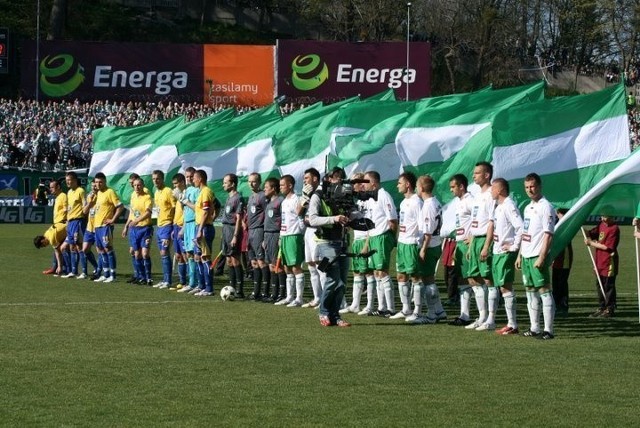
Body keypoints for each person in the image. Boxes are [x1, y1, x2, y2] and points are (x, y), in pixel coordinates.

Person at [307, 168, 352, 327]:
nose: (339, 181)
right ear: (328, 179)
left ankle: (335, 314)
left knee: (343, 282)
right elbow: (312, 220)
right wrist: (334, 219)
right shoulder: (317, 196)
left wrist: (356, 217)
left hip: (342, 242)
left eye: (341, 179)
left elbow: (352, 212)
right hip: (325, 242)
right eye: (335, 178)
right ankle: (324, 312)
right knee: (333, 280)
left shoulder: (343, 196)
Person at [516, 173, 556, 340]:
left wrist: (541, 256)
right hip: (526, 255)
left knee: (544, 291)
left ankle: (548, 330)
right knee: (530, 292)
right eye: (526, 187)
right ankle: (534, 328)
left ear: (539, 186)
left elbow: (548, 234)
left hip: (537, 256)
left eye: (532, 186)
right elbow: (525, 233)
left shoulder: (546, 206)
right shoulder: (527, 207)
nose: (529, 190)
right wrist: (519, 255)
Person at [361, 170, 398, 316]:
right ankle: (381, 307)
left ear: (374, 183)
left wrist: (390, 238)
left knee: (382, 271)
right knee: (376, 272)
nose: (363, 185)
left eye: (365, 182)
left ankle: (391, 308)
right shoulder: (370, 199)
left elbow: (393, 220)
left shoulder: (384, 196)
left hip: (382, 237)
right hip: (374, 237)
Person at [411, 174, 447, 323]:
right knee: (429, 279)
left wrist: (423, 249)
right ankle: (439, 310)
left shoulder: (428, 205)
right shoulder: (436, 202)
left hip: (430, 245)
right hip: (436, 243)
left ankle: (432, 314)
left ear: (420, 188)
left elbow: (427, 232)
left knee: (428, 280)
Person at [490, 178, 523, 335]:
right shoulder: (499, 207)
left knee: (505, 286)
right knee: (502, 287)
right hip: (497, 251)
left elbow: (520, 227)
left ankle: (513, 324)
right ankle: (510, 323)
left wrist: (514, 247)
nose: (491, 191)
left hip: (505, 253)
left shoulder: (509, 205)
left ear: (500, 190)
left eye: (493, 188)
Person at [465, 161, 495, 331]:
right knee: (473, 279)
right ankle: (482, 316)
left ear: (487, 175)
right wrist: (471, 245)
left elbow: (491, 222)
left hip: (485, 239)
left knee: (488, 279)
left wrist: (486, 245)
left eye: (477, 173)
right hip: (475, 240)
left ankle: (490, 318)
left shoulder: (491, 194)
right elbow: (473, 221)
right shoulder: (477, 195)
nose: (473, 175)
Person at [340, 172, 373, 314]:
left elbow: (374, 223)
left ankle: (370, 305)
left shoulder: (370, 199)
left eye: (355, 183)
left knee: (369, 273)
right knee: (357, 272)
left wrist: (367, 242)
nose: (352, 186)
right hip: (356, 239)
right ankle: (355, 304)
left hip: (367, 238)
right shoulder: (354, 200)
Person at [447, 174, 475, 326]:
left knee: (475, 279)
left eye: (453, 187)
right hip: (459, 244)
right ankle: (464, 315)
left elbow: (479, 220)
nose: (451, 190)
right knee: (463, 279)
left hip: (468, 245)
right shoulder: (460, 202)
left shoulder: (471, 201)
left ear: (461, 186)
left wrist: (472, 237)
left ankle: (483, 316)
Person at [274, 174, 306, 306]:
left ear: (290, 185)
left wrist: (299, 233)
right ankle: (289, 296)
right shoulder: (284, 201)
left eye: (282, 185)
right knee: (287, 267)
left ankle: (299, 298)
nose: (280, 187)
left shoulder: (296, 199)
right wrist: (281, 236)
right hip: (285, 236)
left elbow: (300, 216)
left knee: (296, 266)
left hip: (294, 236)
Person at [88, 172, 125, 283]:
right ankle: (106, 273)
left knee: (108, 249)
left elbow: (120, 206)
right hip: (97, 226)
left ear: (105, 182)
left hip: (105, 226)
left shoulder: (110, 192)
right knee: (100, 250)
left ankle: (113, 275)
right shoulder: (98, 194)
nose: (98, 184)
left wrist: (113, 219)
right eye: (96, 182)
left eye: (100, 182)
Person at [585, 209, 620, 318]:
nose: (603, 219)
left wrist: (591, 243)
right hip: (599, 261)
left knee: (608, 285)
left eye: (605, 216)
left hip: (609, 261)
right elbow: (591, 233)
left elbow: (606, 247)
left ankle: (610, 308)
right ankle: (602, 307)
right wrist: (583, 229)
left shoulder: (614, 228)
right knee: (599, 284)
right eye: (602, 216)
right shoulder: (601, 224)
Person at [191, 169, 218, 296]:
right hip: (200, 227)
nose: (192, 180)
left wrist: (201, 229)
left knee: (205, 257)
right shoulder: (201, 192)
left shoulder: (206, 192)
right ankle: (201, 286)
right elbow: (216, 204)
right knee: (197, 257)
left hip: (204, 228)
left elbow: (206, 211)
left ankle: (209, 288)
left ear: (200, 179)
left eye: (194, 178)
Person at [121, 177, 153, 286]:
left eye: (139, 185)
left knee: (144, 254)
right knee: (137, 254)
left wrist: (136, 221)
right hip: (134, 229)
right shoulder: (133, 196)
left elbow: (148, 213)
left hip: (145, 228)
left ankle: (149, 278)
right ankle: (142, 277)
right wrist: (126, 226)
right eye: (135, 185)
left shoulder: (147, 197)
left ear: (143, 185)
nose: (136, 187)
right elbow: (132, 212)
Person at [300, 168, 324, 308]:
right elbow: (299, 212)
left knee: (319, 264)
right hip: (308, 231)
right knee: (310, 265)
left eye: (307, 178)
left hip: (318, 231)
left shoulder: (321, 192)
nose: (304, 181)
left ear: (315, 179)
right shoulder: (307, 193)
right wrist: (304, 197)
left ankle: (326, 297)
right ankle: (317, 297)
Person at [177, 167, 201, 294]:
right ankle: (191, 282)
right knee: (188, 254)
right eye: (187, 177)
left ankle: (197, 282)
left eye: (191, 176)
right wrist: (183, 227)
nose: (189, 179)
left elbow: (197, 208)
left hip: (195, 224)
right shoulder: (186, 191)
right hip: (187, 224)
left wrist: (185, 201)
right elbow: (186, 211)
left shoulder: (198, 191)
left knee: (196, 254)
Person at [221, 173, 245, 298]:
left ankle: (240, 290)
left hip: (232, 230)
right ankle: (232, 287)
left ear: (233, 183)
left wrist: (235, 235)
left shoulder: (238, 198)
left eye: (225, 182)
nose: (223, 184)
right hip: (225, 230)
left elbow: (238, 218)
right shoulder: (228, 198)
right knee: (228, 260)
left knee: (235, 259)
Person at [246, 172, 269, 300]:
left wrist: (265, 235)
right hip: (250, 231)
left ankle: (265, 292)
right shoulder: (251, 197)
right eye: (249, 181)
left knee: (261, 262)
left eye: (254, 181)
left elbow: (267, 215)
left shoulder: (262, 197)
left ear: (259, 182)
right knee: (254, 262)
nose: (251, 183)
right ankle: (256, 292)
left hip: (259, 231)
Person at [262, 177, 286, 302]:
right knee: (271, 265)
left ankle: (282, 293)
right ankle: (274, 293)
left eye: (266, 187)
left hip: (276, 234)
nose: (264, 189)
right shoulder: (269, 202)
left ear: (274, 188)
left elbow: (283, 219)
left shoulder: (280, 201)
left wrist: (281, 235)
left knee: (278, 264)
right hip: (267, 235)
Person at [152, 170, 176, 289]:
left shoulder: (168, 191)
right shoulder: (156, 193)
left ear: (162, 179)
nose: (155, 181)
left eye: (157, 179)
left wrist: (172, 224)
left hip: (167, 225)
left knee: (164, 252)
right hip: (159, 226)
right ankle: (165, 279)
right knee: (162, 254)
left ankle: (168, 281)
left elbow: (174, 207)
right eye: (153, 179)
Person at [60, 171, 86, 278]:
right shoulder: (69, 192)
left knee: (79, 246)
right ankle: (73, 271)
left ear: (75, 180)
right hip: (70, 222)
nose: (68, 182)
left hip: (78, 221)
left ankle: (84, 272)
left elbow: (85, 205)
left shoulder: (80, 191)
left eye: (69, 180)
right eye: (66, 180)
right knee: (71, 247)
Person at [552, 208, 572, 316]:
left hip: (564, 256)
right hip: (556, 257)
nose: (561, 215)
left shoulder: (568, 224)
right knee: (555, 281)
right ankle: (556, 304)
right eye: (560, 213)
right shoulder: (556, 223)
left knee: (562, 282)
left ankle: (563, 305)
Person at [171, 173, 188, 290]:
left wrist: (183, 227)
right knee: (178, 255)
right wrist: (173, 226)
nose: (175, 186)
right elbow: (177, 211)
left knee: (186, 255)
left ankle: (190, 281)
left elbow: (187, 210)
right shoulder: (178, 194)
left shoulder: (186, 193)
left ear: (182, 182)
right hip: (176, 226)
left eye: (176, 183)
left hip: (183, 226)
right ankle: (182, 281)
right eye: (174, 184)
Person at [80, 179, 101, 280]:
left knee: (100, 250)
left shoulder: (102, 195)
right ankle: (97, 267)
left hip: (99, 227)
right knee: (85, 249)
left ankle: (101, 270)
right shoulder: (89, 196)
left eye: (95, 186)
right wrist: (90, 203)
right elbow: (84, 211)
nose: (94, 187)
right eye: (92, 186)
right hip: (89, 227)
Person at [48, 179, 69, 276]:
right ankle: (57, 267)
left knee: (61, 248)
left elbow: (66, 209)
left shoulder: (63, 196)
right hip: (58, 224)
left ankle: (64, 268)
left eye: (52, 187)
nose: (50, 189)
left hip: (62, 224)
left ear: (58, 187)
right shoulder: (58, 197)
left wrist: (66, 221)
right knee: (57, 247)